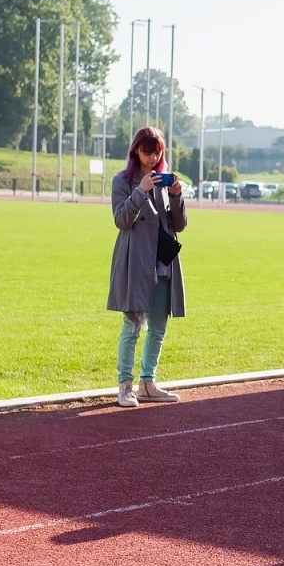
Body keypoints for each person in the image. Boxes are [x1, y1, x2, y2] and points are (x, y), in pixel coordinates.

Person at [108, 127, 187, 407]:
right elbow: (121, 220)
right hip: (136, 260)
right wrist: (140, 191)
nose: (153, 157)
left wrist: (176, 196)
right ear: (136, 150)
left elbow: (179, 225)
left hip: (163, 262)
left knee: (158, 327)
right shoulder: (122, 181)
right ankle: (125, 385)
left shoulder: (164, 182)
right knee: (132, 324)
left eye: (157, 152)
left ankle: (148, 384)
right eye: (147, 151)